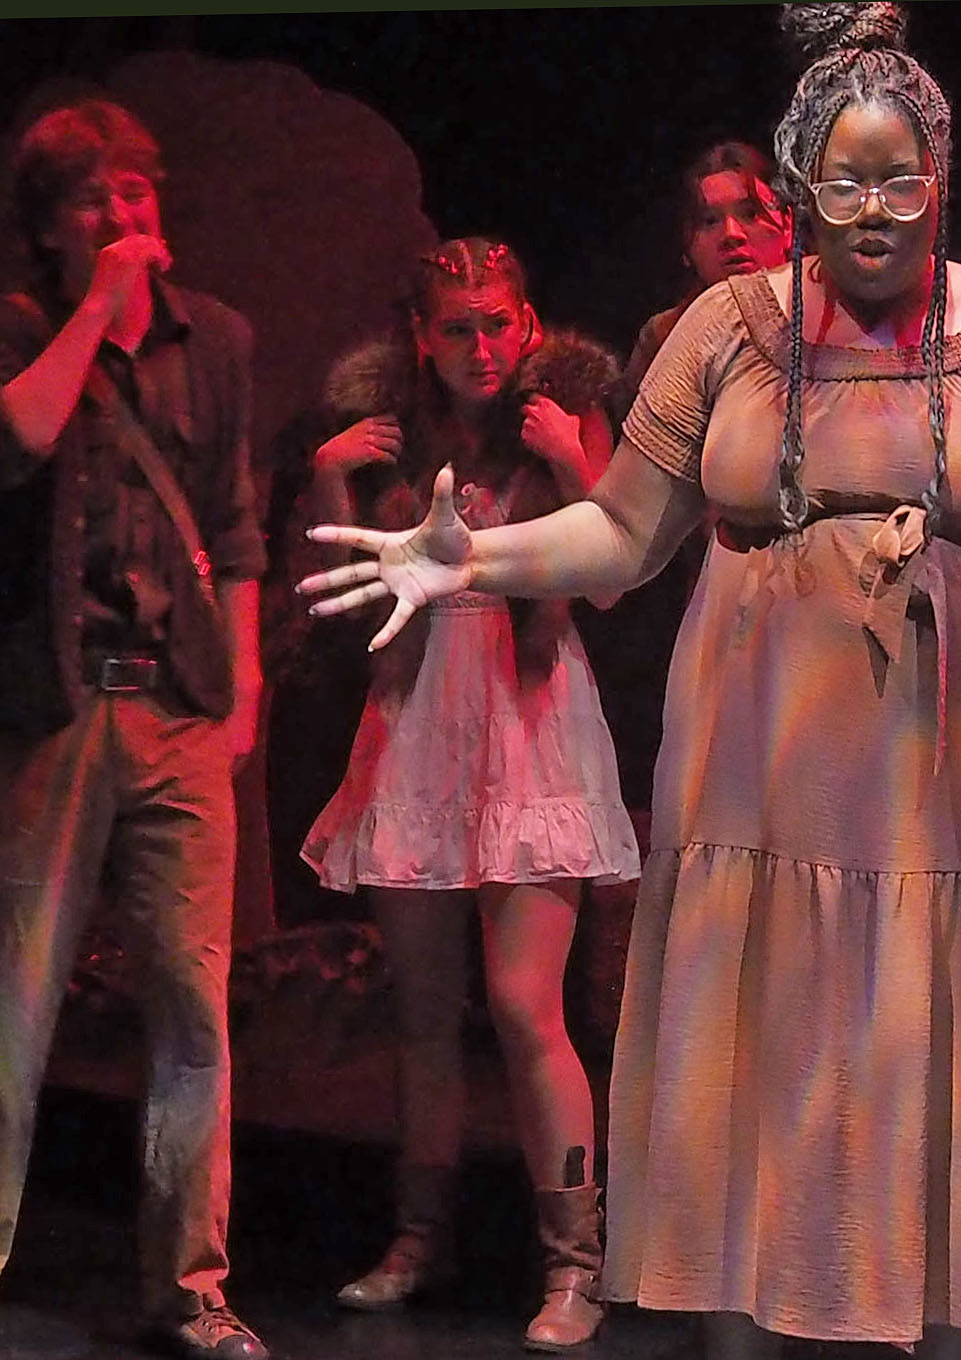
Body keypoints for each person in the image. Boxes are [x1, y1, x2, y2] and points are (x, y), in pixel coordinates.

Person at [297, 6, 961, 1357]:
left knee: (937, 1083)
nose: (872, 206)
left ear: (939, 179)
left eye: (899, 177)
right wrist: (465, 564)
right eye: (843, 174)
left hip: (952, 767)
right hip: (758, 754)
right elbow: (620, 533)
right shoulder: (722, 329)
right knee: (762, 1082)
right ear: (798, 180)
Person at [297, 238, 641, 1351]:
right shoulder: (388, 438)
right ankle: (415, 1238)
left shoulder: (563, 416)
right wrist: (326, 473)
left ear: (528, 322)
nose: (480, 345)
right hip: (416, 719)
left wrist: (575, 461)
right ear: (421, 335)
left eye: (498, 321)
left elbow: (619, 568)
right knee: (424, 1013)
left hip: (529, 711)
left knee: (523, 1002)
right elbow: (337, 603)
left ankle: (575, 1262)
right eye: (458, 326)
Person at [0, 99, 268, 1360]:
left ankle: (191, 1289)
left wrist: (249, 683)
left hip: (174, 705)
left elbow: (234, 520)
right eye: (96, 200)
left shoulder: (215, 339)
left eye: (138, 194)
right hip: (50, 712)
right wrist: (93, 316)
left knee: (191, 1013)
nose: (126, 217)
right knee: (16, 1002)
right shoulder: (17, 329)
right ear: (50, 226)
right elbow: (20, 438)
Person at [622, 140, 791, 397]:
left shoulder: (829, 321)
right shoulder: (665, 335)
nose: (731, 234)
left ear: (788, 225)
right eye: (709, 221)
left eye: (750, 214)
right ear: (686, 248)